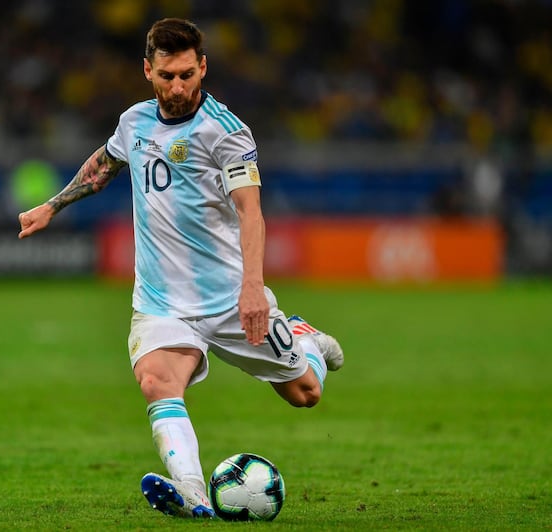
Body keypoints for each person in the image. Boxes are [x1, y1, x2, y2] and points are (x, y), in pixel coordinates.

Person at [18, 17, 344, 519]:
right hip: (161, 301)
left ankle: (305, 339)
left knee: (306, 394)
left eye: (188, 75)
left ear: (203, 67)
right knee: (156, 382)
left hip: (229, 297)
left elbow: (249, 210)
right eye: (167, 75)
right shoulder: (134, 122)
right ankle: (192, 494)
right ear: (147, 70)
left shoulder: (227, 132)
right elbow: (104, 165)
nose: (178, 87)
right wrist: (52, 206)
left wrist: (254, 287)